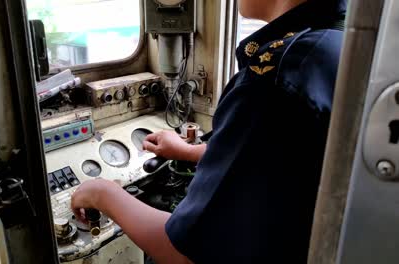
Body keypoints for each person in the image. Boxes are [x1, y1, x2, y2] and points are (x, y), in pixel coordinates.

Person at [71, 0, 347, 263]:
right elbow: (276, 160)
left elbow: (187, 255)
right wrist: (190, 151)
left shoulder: (273, 77)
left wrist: (102, 193)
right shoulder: (338, 44)